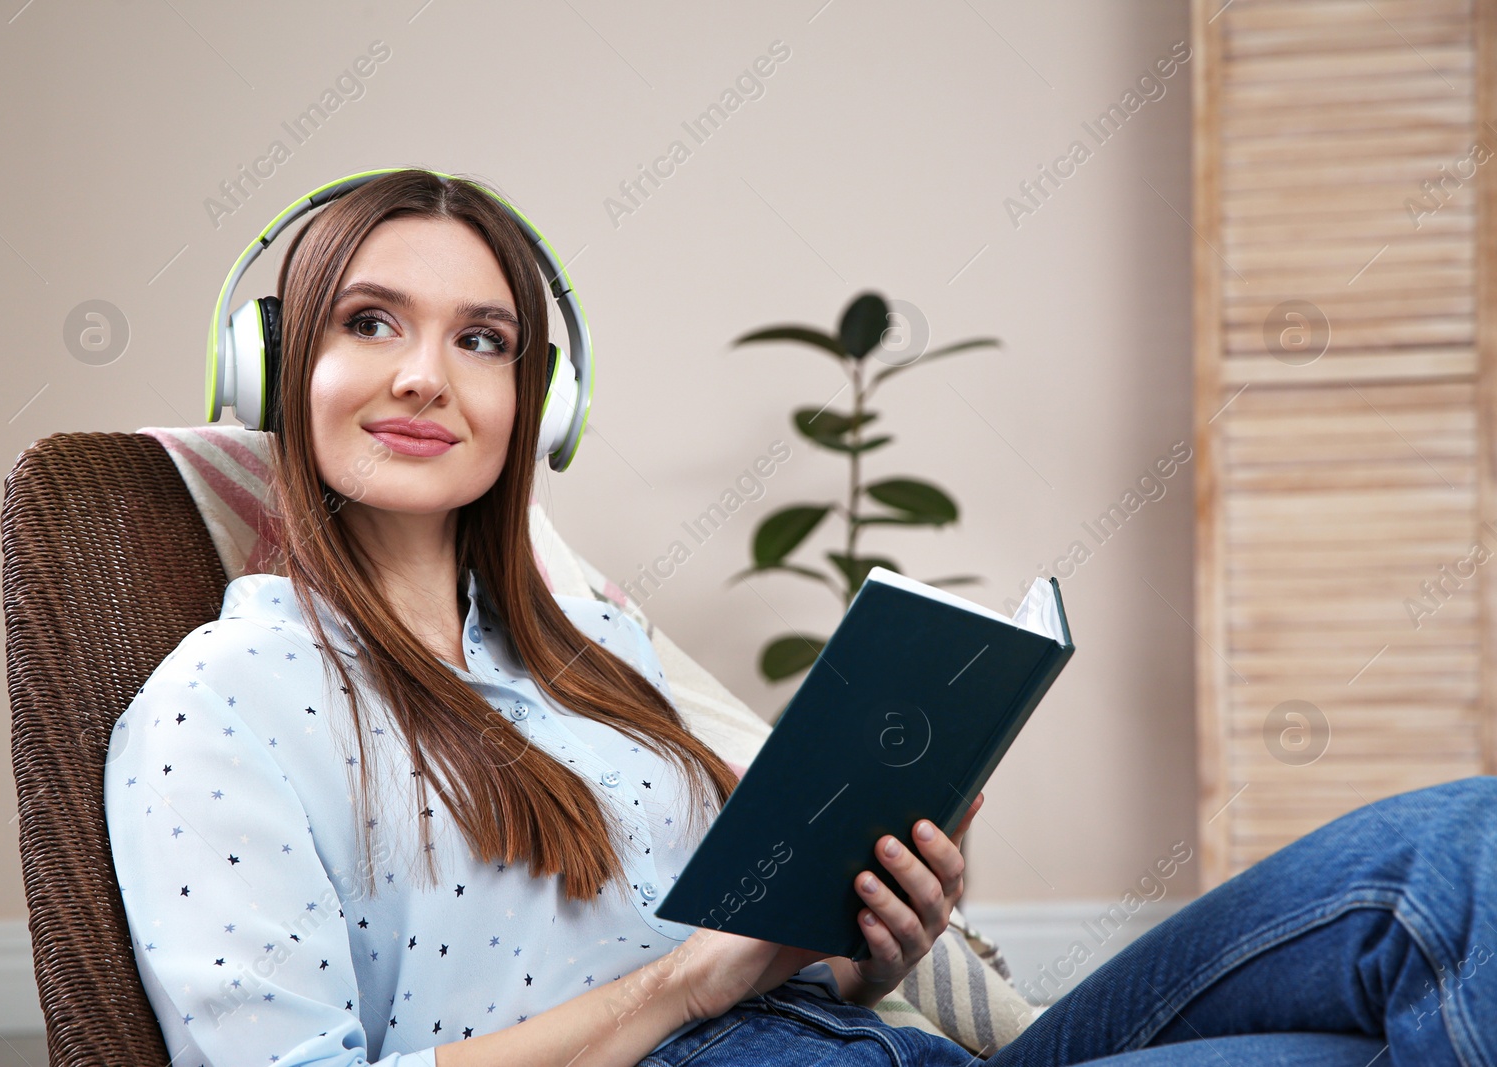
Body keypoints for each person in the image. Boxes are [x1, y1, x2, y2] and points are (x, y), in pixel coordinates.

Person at [105, 169, 1497, 1067]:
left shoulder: (588, 658)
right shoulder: (220, 704)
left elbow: (743, 943)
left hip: (871, 1050)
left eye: (482, 340)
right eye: (368, 321)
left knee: (1454, 848)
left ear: (539, 402)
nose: (425, 376)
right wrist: (693, 993)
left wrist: (855, 941)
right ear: (271, 360)